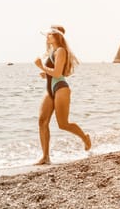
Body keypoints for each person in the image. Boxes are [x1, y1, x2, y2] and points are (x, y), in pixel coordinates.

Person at [34, 25, 91, 165]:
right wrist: (45, 73)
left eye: (49, 34)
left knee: (63, 124)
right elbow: (54, 71)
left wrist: (41, 67)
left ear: (57, 36)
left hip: (61, 88)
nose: (47, 37)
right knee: (42, 121)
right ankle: (45, 157)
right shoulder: (53, 51)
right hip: (50, 89)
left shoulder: (61, 50)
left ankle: (85, 138)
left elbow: (58, 74)